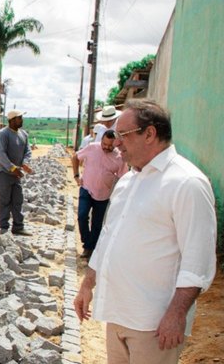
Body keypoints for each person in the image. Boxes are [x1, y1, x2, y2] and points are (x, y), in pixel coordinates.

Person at [74, 99, 216, 364]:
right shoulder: (129, 180)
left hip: (154, 324)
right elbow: (107, 239)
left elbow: (198, 262)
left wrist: (176, 315)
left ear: (150, 134)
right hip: (117, 313)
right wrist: (87, 285)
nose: (116, 143)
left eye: (123, 135)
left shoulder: (187, 183)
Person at [71, 129, 127, 259]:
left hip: (103, 194)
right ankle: (87, 243)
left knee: (97, 223)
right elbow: (75, 157)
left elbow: (123, 178)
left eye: (110, 146)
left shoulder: (119, 158)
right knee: (82, 215)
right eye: (104, 144)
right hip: (86, 188)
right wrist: (76, 175)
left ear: (115, 144)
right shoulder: (92, 148)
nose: (106, 148)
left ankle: (90, 249)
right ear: (101, 140)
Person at [0, 109, 33, 236]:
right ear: (12, 120)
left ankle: (18, 227)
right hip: (3, 172)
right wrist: (12, 168)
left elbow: (27, 151)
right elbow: (1, 153)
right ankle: (4, 227)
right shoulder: (3, 134)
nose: (22, 120)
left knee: (17, 199)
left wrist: (25, 163)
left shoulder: (23, 134)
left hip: (16, 173)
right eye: (19, 118)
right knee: (4, 200)